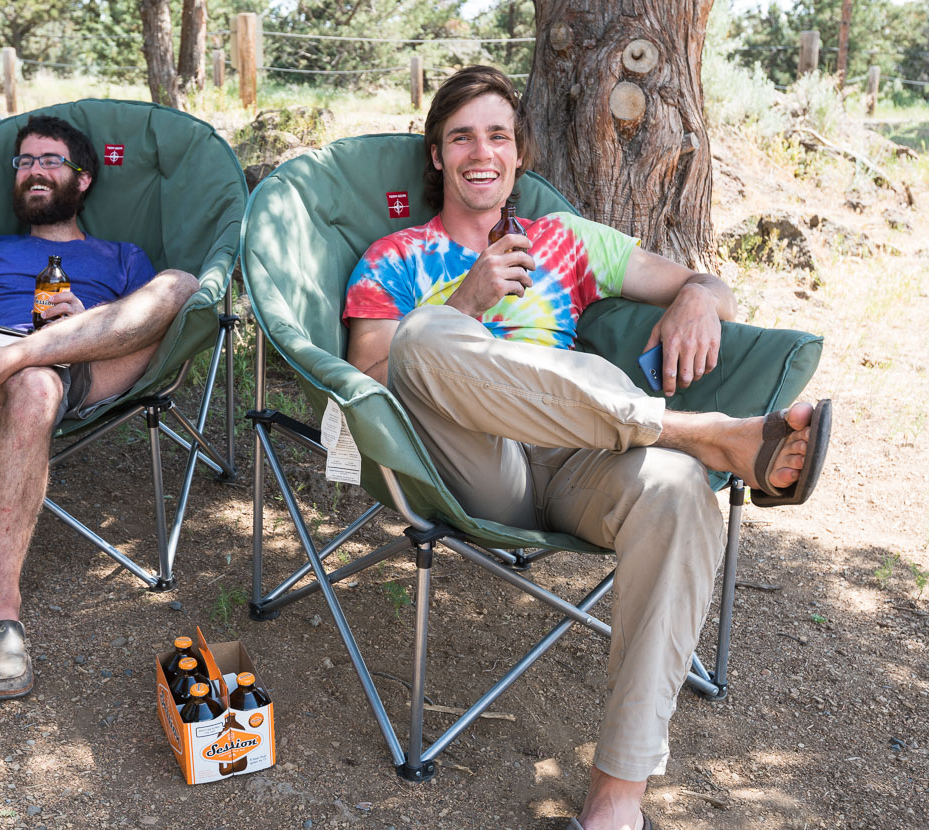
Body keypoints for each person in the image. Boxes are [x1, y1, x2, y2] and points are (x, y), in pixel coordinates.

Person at [343, 66, 830, 830]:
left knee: (673, 493)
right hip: (475, 464)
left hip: (580, 454)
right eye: (460, 136)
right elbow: (371, 379)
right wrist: (466, 300)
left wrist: (700, 298)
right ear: (436, 155)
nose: (481, 151)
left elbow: (701, 279)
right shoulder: (394, 256)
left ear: (518, 154)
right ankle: (702, 435)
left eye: (497, 135)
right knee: (422, 334)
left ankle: (615, 800)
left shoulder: (565, 240)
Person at [0, 115, 199, 702]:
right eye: (25, 161)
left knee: (181, 282)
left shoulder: (122, 254)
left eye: (50, 160)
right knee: (34, 383)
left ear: (82, 180)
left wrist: (85, 321)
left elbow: (149, 322)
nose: (34, 170)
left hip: (87, 363)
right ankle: (0, 609)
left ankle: (11, 360)